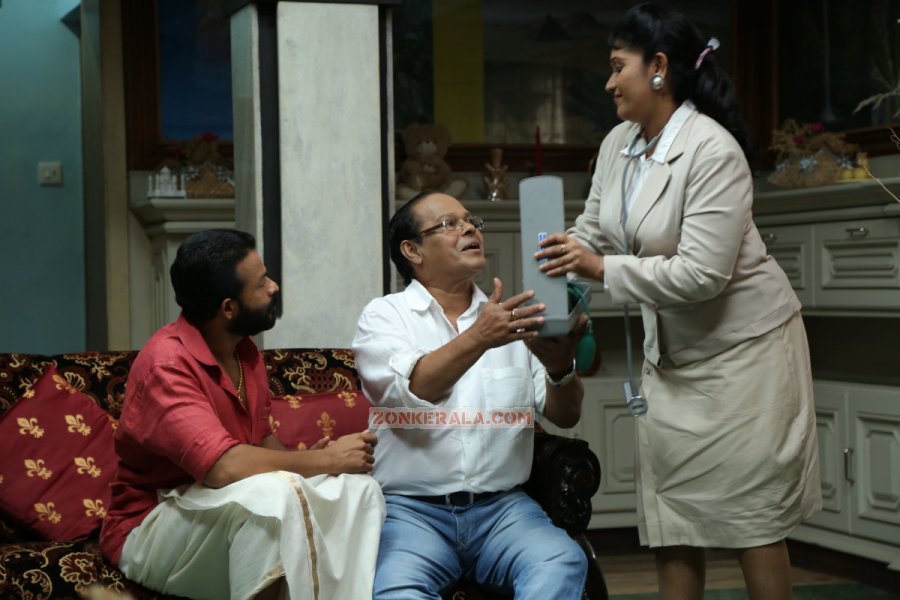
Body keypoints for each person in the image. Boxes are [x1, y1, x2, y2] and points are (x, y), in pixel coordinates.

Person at [534, 4, 822, 600]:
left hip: (745, 361)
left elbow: (703, 274)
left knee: (752, 522)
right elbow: (594, 228)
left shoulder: (714, 151)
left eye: (618, 67)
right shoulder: (618, 144)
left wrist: (598, 267)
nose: (609, 82)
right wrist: (559, 275)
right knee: (673, 523)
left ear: (659, 67)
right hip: (672, 362)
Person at [99, 229, 385, 600]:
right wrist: (324, 460)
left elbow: (261, 440)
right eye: (261, 282)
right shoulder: (166, 365)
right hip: (153, 524)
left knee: (359, 490)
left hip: (224, 507)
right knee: (273, 497)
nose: (273, 287)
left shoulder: (244, 351)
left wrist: (313, 467)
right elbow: (222, 468)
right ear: (228, 308)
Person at [352, 192, 589, 599]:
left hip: (503, 511)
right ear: (412, 251)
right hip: (412, 512)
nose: (468, 229)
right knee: (396, 591)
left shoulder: (512, 321)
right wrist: (479, 337)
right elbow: (417, 388)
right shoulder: (385, 316)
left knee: (561, 561)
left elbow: (565, 415)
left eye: (470, 221)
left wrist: (560, 367)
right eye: (449, 224)